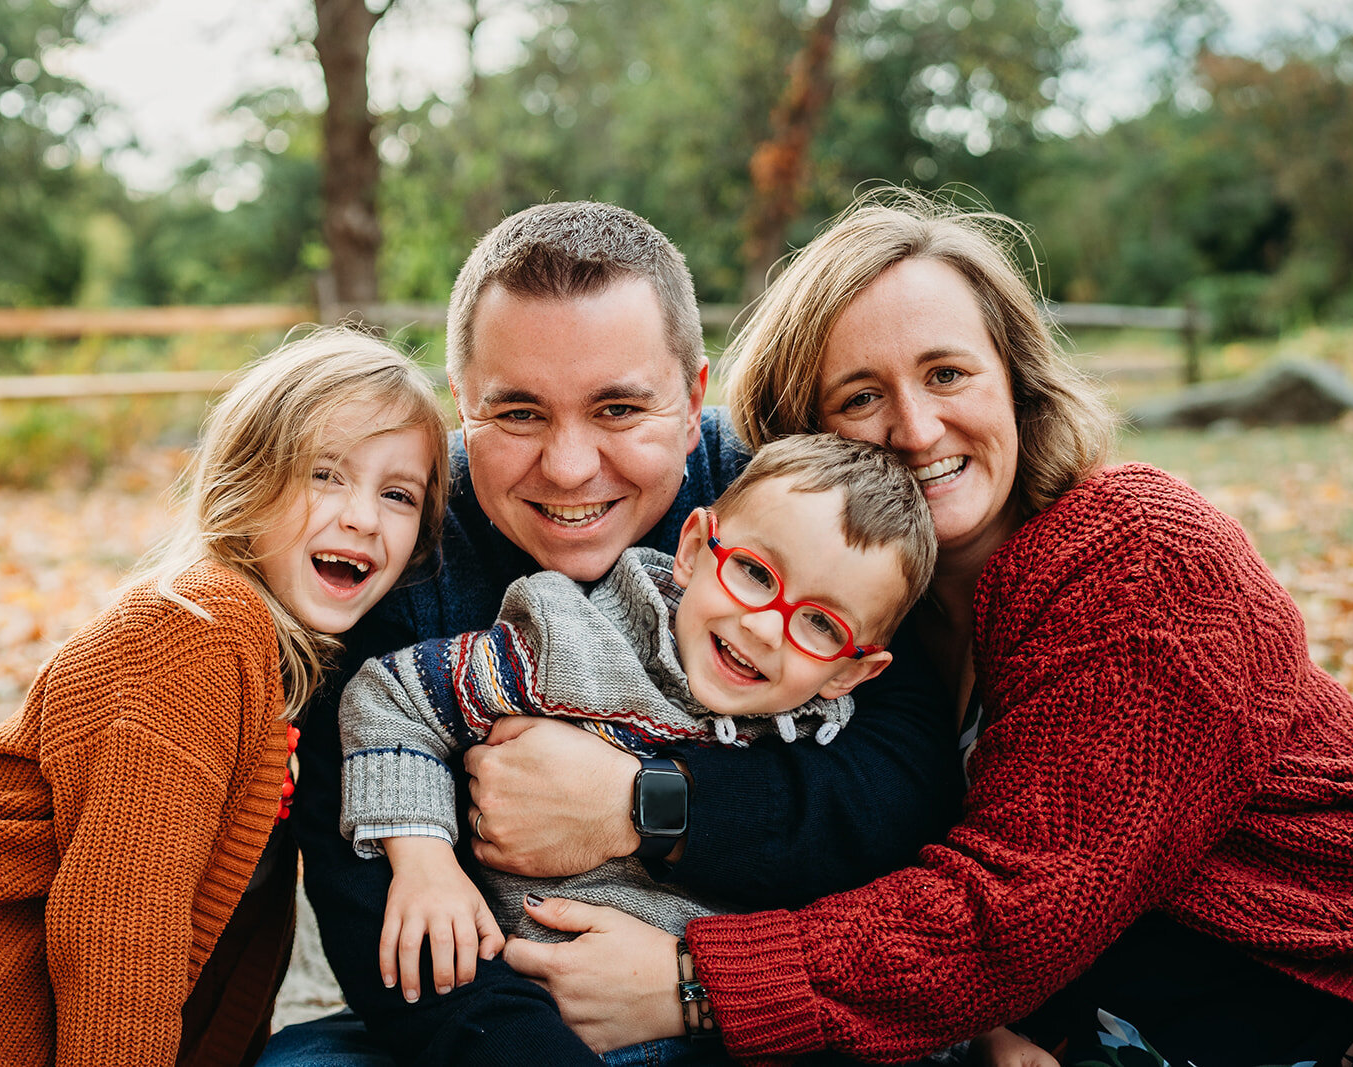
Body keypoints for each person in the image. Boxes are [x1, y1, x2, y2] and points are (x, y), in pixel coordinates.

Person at [492, 189, 1353, 1067]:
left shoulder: (1138, 551)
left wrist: (692, 980)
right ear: (808, 441)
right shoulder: (855, 631)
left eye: (948, 373)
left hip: (1340, 1000)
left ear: (1016, 378)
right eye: (860, 397)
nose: (918, 428)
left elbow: (1025, 903)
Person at [265, 201, 963, 1066]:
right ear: (463, 405)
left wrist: (643, 807)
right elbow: (373, 900)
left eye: (619, 410)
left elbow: (900, 786)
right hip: (512, 1015)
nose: (568, 466)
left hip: (741, 996)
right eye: (517, 413)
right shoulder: (401, 539)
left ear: (695, 393)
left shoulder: (787, 505)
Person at [0, 327, 450, 1067]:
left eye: (397, 494)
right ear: (246, 482)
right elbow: (120, 924)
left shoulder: (294, 679)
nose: (363, 516)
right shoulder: (200, 628)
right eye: (325, 475)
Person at [345, 433, 932, 1017]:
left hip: (713, 1023)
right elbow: (393, 696)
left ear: (852, 673)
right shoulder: (566, 646)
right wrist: (424, 861)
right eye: (755, 573)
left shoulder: (825, 749)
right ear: (697, 547)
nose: (764, 628)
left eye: (821, 625)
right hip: (528, 1009)